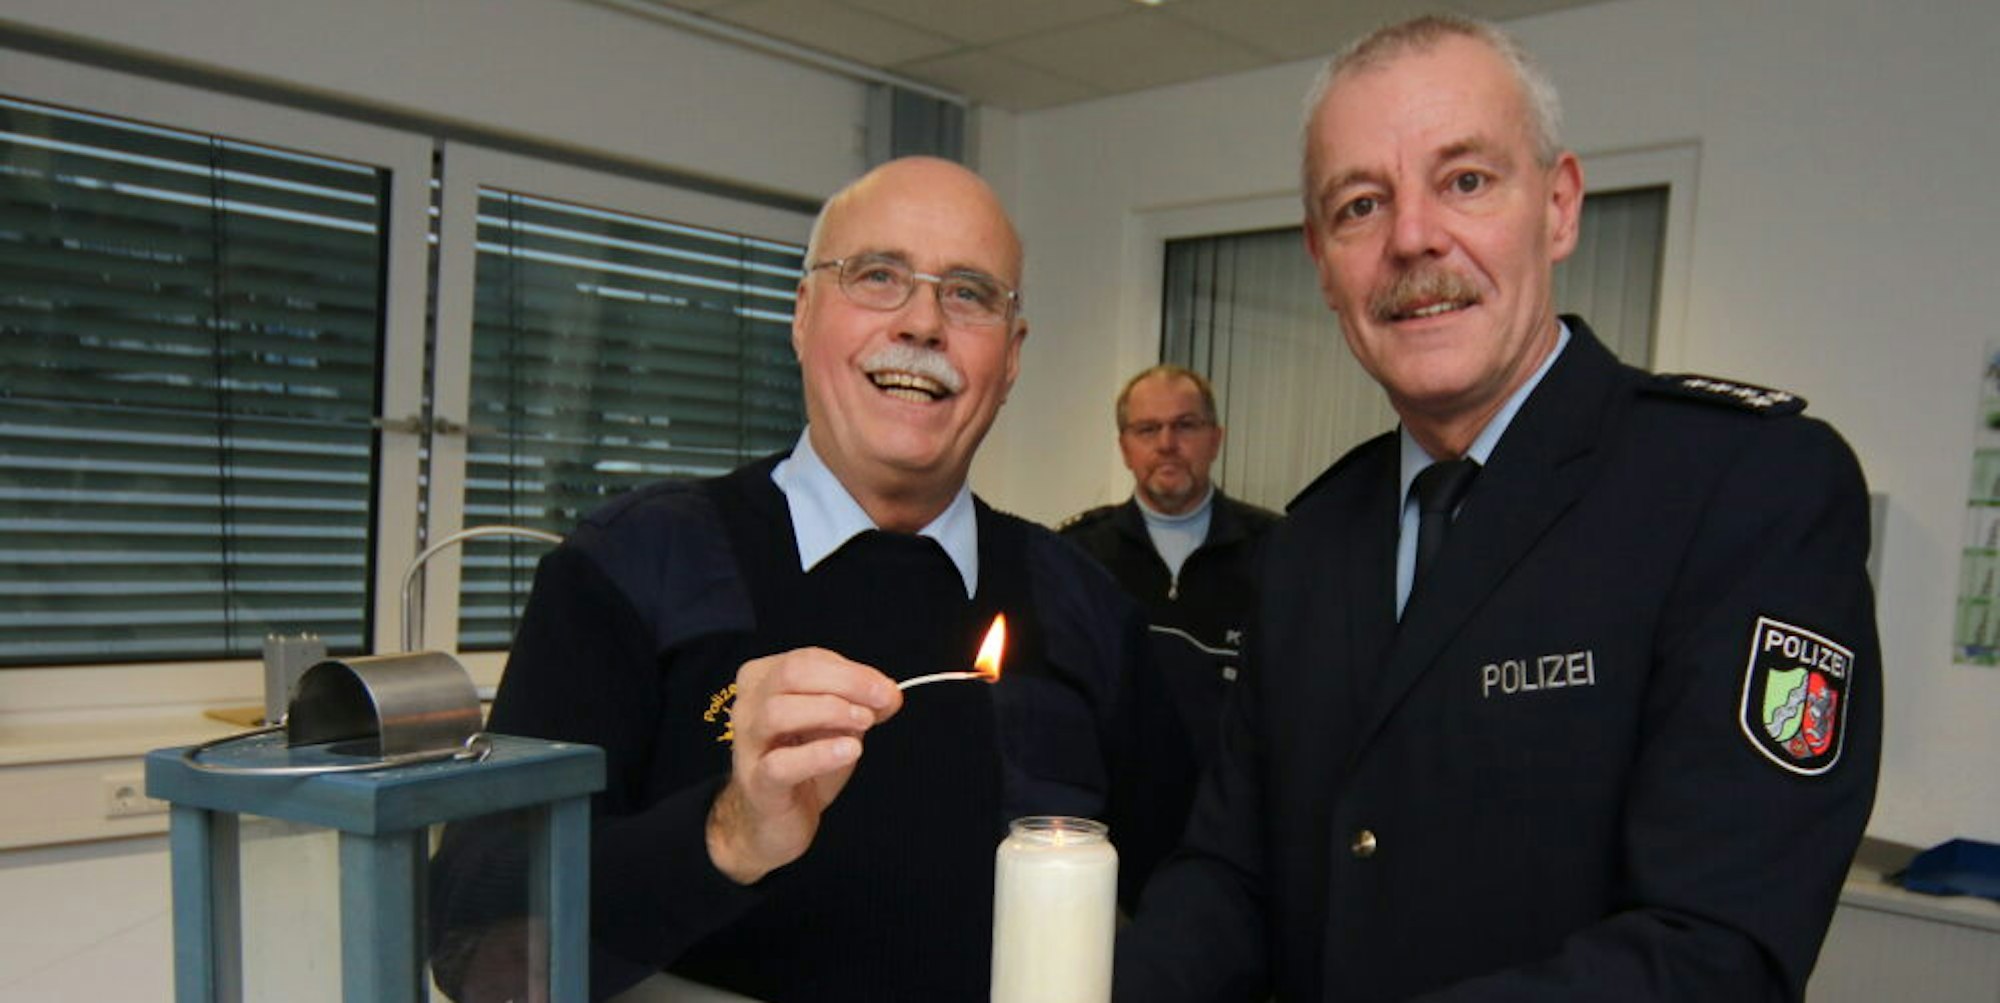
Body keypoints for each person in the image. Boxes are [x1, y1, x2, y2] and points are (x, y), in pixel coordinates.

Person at [1115, 14, 1880, 1002]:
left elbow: (1714, 949)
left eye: (1465, 180)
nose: (1412, 237)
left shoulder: (1743, 487)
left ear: (1557, 208)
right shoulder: (1310, 540)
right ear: (1321, 259)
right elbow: (1233, 873)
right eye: (1360, 205)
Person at [430, 156, 1155, 1003]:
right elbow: (475, 938)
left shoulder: (1085, 604)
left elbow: (1202, 888)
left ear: (1013, 354)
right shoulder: (632, 566)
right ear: (803, 314)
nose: (924, 322)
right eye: (878, 275)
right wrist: (726, 834)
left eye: (968, 293)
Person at [1058, 364, 1277, 901]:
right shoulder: (1076, 556)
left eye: (1185, 425)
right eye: (1147, 429)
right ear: (1124, 447)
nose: (1167, 444)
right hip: (1111, 847)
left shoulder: (1278, 551)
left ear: (1216, 438)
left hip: (1238, 843)